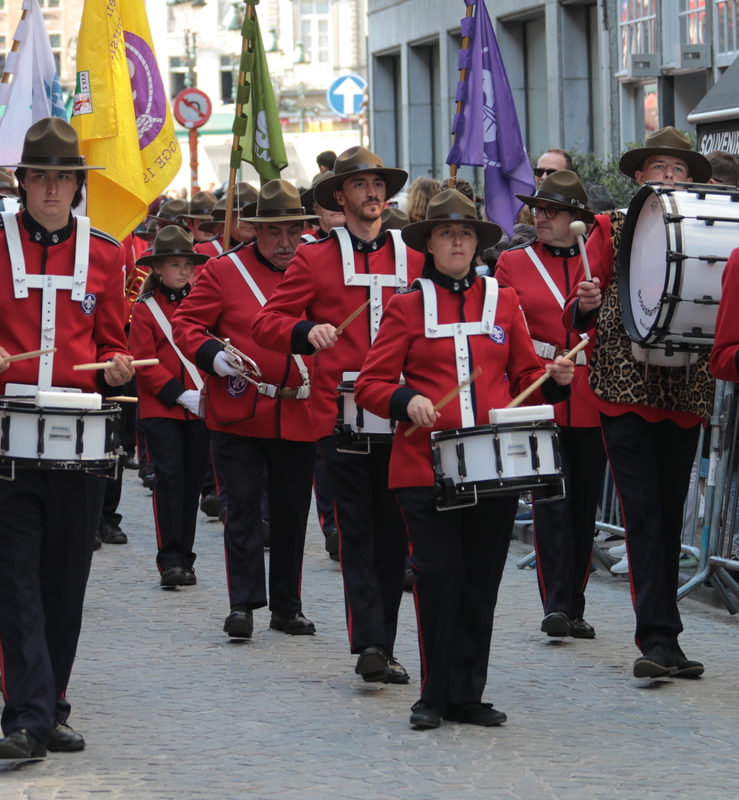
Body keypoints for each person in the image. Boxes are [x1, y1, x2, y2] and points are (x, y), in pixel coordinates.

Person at [0, 117, 134, 760]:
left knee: (64, 584)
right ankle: (26, 719)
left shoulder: (107, 253)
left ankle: (51, 705)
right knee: (17, 581)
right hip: (2, 444)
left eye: (62, 179)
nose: (51, 189)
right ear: (23, 183)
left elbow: (112, 342)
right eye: (39, 177)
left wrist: (117, 366)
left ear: (77, 185)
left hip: (78, 446)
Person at [356, 189, 574, 729]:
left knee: (480, 581)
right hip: (423, 466)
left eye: (466, 233)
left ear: (477, 244)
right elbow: (370, 384)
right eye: (446, 233)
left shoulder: (503, 300)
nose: (457, 242)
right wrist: (408, 400)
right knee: (439, 575)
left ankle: (466, 694)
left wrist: (554, 380)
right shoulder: (407, 305)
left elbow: (525, 375)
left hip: (493, 466)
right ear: (429, 244)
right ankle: (432, 695)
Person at [253, 146, 422, 682]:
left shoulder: (414, 255)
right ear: (340, 197)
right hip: (341, 417)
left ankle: (384, 645)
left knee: (394, 538)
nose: (372, 193)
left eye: (378, 184)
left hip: (402, 415)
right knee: (356, 532)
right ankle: (369, 643)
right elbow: (266, 323)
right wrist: (306, 331)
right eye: (360, 185)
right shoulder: (314, 257)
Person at [567, 127, 713, 679]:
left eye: (678, 170)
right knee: (645, 514)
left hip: (686, 389)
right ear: (639, 177)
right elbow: (578, 309)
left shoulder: (705, 229)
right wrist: (586, 303)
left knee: (668, 515)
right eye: (659, 168)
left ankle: (665, 636)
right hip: (624, 389)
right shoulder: (611, 227)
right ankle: (656, 637)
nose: (669, 177)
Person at [174, 179, 318, 640]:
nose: (285, 242)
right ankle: (243, 604)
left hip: (298, 409)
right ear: (255, 229)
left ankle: (287, 607)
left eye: (293, 231)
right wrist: (213, 356)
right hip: (239, 410)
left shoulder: (316, 267)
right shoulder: (224, 270)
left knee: (292, 513)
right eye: (275, 231)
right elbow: (186, 324)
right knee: (241, 509)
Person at [494, 171, 613, 640]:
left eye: (553, 211)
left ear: (578, 218)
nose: (541, 217)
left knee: (583, 506)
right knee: (550, 503)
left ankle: (574, 604)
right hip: (540, 389)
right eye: (538, 209)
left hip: (590, 393)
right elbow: (504, 329)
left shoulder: (596, 262)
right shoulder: (513, 262)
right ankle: (555, 604)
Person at [130, 226, 210, 587]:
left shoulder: (203, 304)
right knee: (169, 479)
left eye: (187, 264)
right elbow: (143, 362)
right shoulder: (144, 309)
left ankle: (186, 558)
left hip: (201, 406)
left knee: (192, 483)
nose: (183, 271)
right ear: (158, 268)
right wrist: (180, 393)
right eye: (175, 264)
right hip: (162, 407)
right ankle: (170, 560)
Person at [194, 184, 258, 258]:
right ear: (227, 216)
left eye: (253, 214)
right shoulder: (203, 250)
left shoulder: (265, 251)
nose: (248, 220)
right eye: (241, 214)